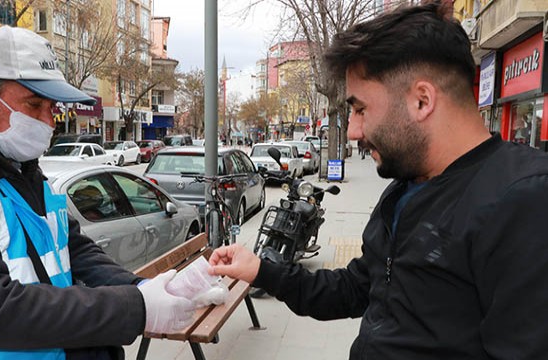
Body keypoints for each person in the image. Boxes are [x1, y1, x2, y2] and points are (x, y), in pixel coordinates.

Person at [209, 2, 548, 359]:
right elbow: (355, 289)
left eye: (360, 110)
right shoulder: (404, 189)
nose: (354, 131)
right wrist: (262, 270)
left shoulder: (524, 202)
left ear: (421, 101)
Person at [0, 26, 194, 360]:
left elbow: (72, 249)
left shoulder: (18, 166)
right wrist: (135, 308)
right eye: (35, 105)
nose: (49, 121)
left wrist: (141, 288)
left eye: (53, 107)